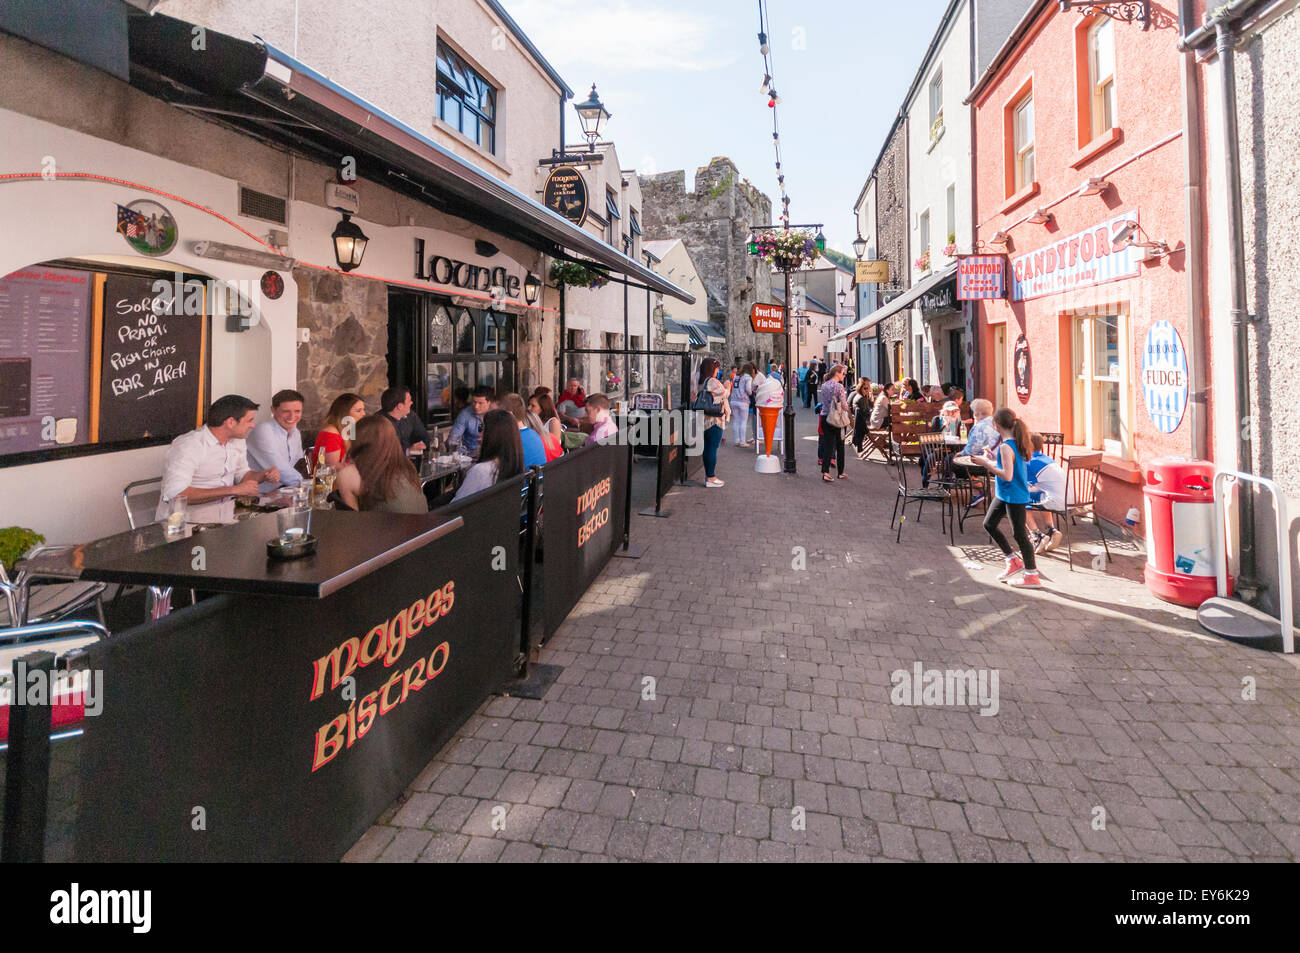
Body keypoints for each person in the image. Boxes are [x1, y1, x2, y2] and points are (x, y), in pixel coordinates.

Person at [156, 394, 279, 524]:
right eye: (249, 420)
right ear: (231, 422)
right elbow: (175, 494)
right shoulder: (189, 445)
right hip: (184, 525)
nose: (253, 425)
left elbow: (241, 474)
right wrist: (233, 490)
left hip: (224, 520)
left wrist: (263, 475)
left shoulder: (238, 441)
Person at [970, 408, 1041, 588]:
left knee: (1020, 535)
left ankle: (1032, 575)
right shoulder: (1015, 442)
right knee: (989, 523)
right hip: (1006, 494)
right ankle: (1012, 561)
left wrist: (986, 463)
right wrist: (994, 459)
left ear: (996, 425)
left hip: (1013, 494)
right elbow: (1010, 466)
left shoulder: (1005, 446)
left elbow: (1007, 475)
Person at [333, 416, 427, 514]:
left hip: (388, 528)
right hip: (426, 528)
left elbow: (350, 523)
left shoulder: (349, 475)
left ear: (358, 442)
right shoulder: (408, 468)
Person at [452, 409, 523, 503]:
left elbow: (455, 507)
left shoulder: (481, 471)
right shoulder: (516, 465)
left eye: (481, 429)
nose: (479, 435)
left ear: (492, 435)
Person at [245, 388, 306, 494]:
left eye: (297, 411)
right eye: (286, 411)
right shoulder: (263, 430)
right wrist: (308, 486)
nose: (292, 416)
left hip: (285, 493)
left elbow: (299, 465)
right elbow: (281, 470)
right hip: (259, 498)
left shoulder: (295, 432)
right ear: (273, 410)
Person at [1026, 433, 1068, 553]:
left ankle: (1037, 535)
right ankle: (1051, 530)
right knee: (1043, 494)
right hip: (1069, 499)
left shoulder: (1030, 462)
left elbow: (1028, 486)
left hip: (1056, 501)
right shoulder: (1047, 458)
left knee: (1018, 498)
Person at [695, 357, 729, 487]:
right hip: (714, 420)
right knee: (712, 448)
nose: (718, 370)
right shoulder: (712, 381)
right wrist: (727, 385)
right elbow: (724, 394)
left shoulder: (701, 381)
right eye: (717, 367)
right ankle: (711, 477)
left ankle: (709, 476)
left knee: (708, 447)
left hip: (705, 419)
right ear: (712, 369)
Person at [312, 392, 366, 469]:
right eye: (358, 410)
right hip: (329, 479)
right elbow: (331, 467)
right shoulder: (331, 433)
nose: (364, 414)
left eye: (363, 410)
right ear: (344, 414)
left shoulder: (350, 431)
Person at [818, 363, 851, 482]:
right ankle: (841, 472)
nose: (844, 375)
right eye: (843, 373)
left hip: (825, 417)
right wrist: (848, 407)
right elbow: (843, 405)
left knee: (828, 445)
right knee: (840, 445)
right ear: (837, 373)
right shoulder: (839, 387)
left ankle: (825, 472)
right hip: (836, 419)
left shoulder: (824, 385)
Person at [380, 385, 429, 455]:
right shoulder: (380, 423)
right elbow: (385, 452)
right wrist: (408, 451)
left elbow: (424, 436)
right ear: (400, 406)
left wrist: (421, 444)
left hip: (412, 460)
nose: (412, 402)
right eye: (409, 401)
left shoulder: (411, 415)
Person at [502, 393, 547, 468]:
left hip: (521, 479)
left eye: (499, 414)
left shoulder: (511, 438)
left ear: (509, 414)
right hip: (537, 478)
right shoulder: (533, 433)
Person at [449, 385, 492, 455]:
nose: (476, 406)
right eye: (474, 402)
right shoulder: (465, 414)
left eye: (480, 403)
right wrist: (464, 453)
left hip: (491, 456)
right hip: (470, 456)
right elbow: (453, 439)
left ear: (489, 403)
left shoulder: (497, 414)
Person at [527, 392, 565, 461]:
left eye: (533, 406)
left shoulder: (553, 422)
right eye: (529, 405)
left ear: (543, 408)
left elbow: (554, 446)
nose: (528, 408)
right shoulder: (530, 422)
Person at [730, 362, 755, 447]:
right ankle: (742, 442)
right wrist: (751, 393)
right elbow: (748, 389)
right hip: (743, 401)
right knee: (743, 421)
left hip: (734, 400)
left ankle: (736, 440)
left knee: (736, 420)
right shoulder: (748, 377)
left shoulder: (736, 376)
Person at [851, 379, 873, 452]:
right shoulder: (861, 398)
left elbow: (870, 405)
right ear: (860, 389)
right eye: (865, 388)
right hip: (864, 422)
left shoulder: (863, 396)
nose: (867, 390)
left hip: (861, 422)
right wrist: (872, 411)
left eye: (868, 388)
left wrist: (871, 395)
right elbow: (866, 412)